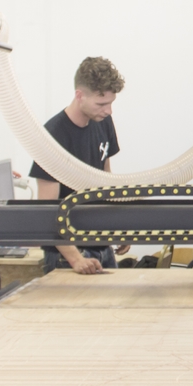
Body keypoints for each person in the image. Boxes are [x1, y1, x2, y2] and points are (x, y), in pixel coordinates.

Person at [29, 57, 129, 275]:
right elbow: (47, 211)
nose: (108, 111)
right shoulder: (53, 137)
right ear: (79, 95)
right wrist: (76, 259)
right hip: (69, 255)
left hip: (101, 246)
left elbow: (106, 180)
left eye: (111, 103)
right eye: (101, 104)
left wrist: (118, 228)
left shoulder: (102, 122)